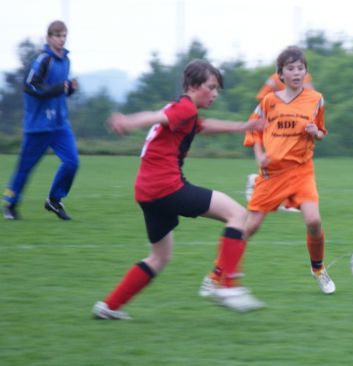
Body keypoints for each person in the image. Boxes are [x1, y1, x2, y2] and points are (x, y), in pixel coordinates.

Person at [92, 59, 266, 319]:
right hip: (166, 187)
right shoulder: (184, 109)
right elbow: (157, 117)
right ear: (194, 86)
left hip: (146, 191)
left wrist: (243, 126)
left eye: (217, 88)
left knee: (160, 257)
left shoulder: (186, 110)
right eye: (211, 87)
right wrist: (128, 121)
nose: (215, 93)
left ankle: (109, 306)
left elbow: (204, 127)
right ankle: (226, 286)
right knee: (238, 215)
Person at [203, 46, 335, 295]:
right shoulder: (269, 101)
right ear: (281, 74)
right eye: (290, 68)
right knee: (249, 227)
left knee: (314, 221)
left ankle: (318, 268)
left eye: (300, 68)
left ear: (306, 71)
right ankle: (216, 273)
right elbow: (254, 130)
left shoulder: (316, 99)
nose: (296, 72)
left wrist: (315, 133)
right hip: (272, 173)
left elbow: (321, 132)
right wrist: (260, 155)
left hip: (302, 170)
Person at [3, 20, 79, 220]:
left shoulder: (66, 61)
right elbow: (30, 86)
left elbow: (60, 91)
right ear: (48, 38)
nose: (61, 39)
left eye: (64, 35)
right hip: (38, 126)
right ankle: (10, 204)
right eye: (57, 35)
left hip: (60, 124)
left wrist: (69, 89)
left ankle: (54, 200)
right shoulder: (44, 59)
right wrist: (59, 88)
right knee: (25, 168)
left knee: (72, 162)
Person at [243, 71, 314, 212]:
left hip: (292, 124)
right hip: (273, 124)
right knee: (280, 161)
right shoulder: (275, 78)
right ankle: (286, 199)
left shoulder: (304, 77)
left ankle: (260, 183)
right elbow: (261, 96)